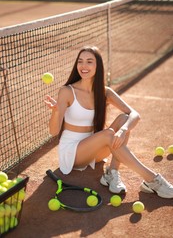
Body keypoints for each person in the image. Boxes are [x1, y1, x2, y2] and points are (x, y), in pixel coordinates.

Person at [44, 45, 173, 199]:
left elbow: (134, 114)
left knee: (124, 119)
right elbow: (53, 131)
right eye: (80, 61)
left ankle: (111, 173)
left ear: (98, 66)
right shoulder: (67, 91)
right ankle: (152, 180)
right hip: (73, 153)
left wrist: (124, 129)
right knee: (108, 134)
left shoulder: (104, 92)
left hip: (95, 150)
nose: (83, 66)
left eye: (89, 62)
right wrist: (56, 112)